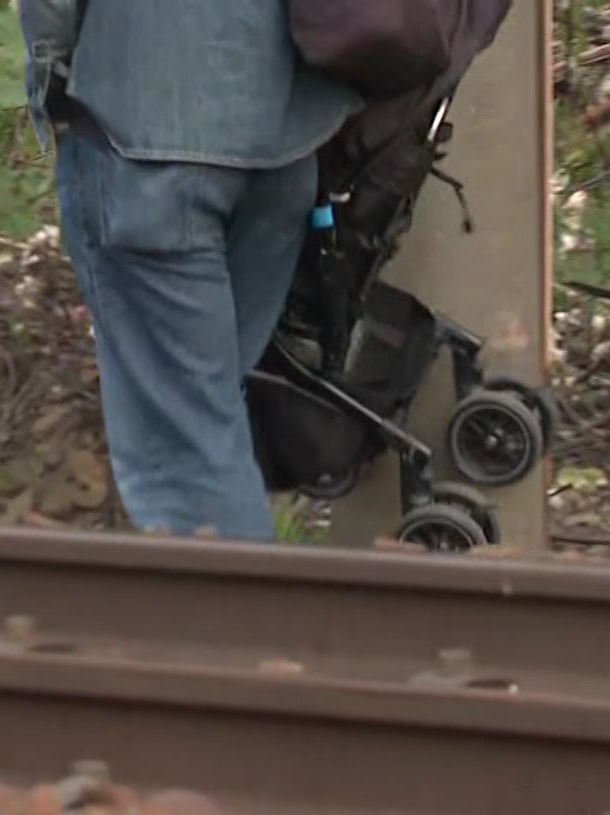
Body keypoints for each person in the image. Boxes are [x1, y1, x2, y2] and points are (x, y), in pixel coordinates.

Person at [22, 0, 360, 541]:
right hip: (285, 148)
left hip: (146, 142)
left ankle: (239, 597)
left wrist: (51, 76)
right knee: (208, 415)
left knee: (186, 456)